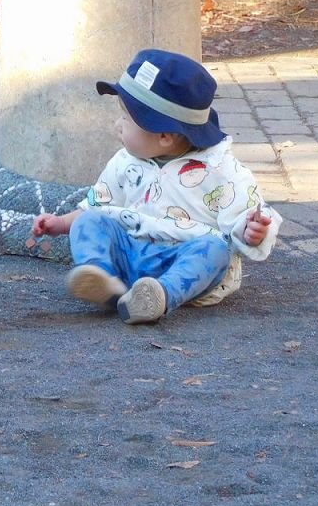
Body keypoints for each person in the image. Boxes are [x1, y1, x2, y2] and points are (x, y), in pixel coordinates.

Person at [31, 48, 283, 324]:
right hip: (129, 253)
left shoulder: (222, 170)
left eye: (126, 119)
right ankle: (102, 279)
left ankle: (160, 295)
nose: (117, 126)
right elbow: (99, 204)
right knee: (89, 221)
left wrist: (252, 231)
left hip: (183, 258)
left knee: (215, 250)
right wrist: (62, 223)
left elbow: (244, 216)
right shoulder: (125, 161)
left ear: (164, 136)